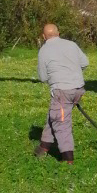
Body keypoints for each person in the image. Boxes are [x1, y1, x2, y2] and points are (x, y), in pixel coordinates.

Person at [34, 22, 88, 164]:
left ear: (44, 36)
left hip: (62, 91)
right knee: (55, 114)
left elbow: (43, 77)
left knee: (61, 122)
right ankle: (44, 147)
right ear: (58, 33)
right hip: (78, 89)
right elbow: (85, 63)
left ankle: (68, 159)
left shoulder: (44, 51)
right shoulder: (71, 45)